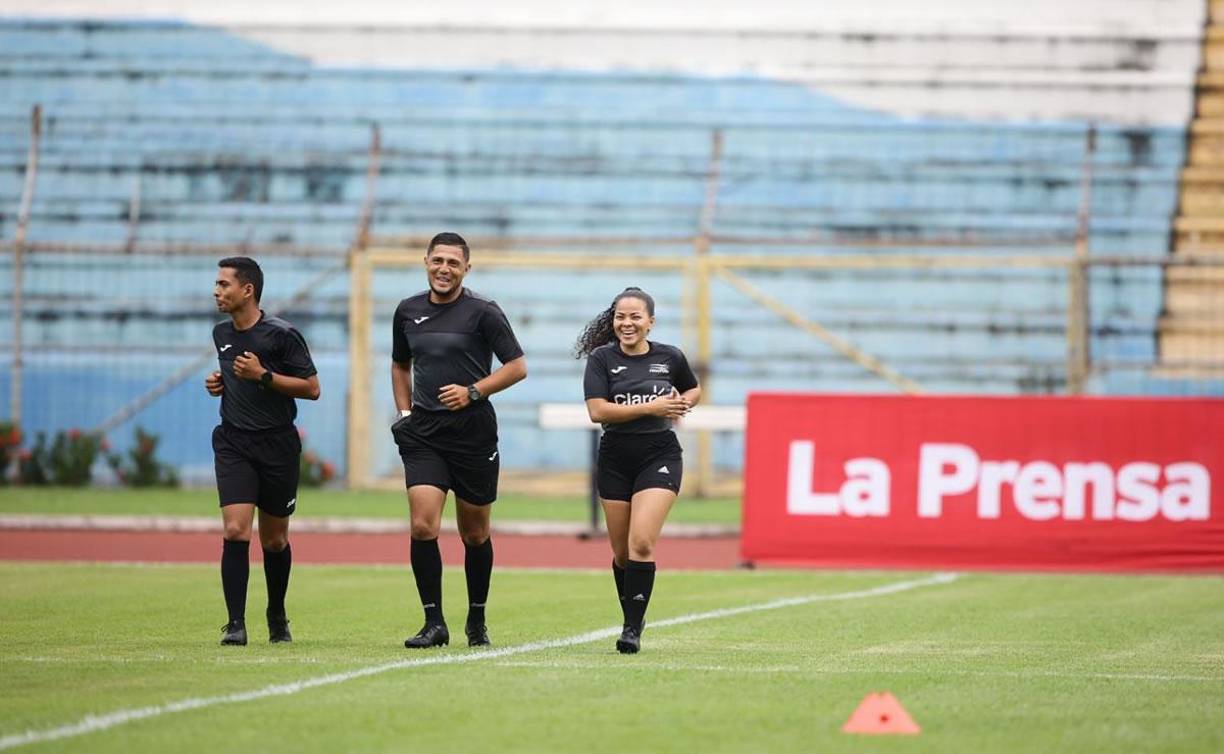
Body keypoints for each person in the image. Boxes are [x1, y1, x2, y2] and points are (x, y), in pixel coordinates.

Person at [391, 232, 527, 649]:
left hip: (473, 432)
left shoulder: (483, 312)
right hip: (425, 433)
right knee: (422, 524)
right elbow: (400, 365)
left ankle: (476, 619)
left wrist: (473, 391)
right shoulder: (407, 310)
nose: (444, 269)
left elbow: (517, 366)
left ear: (467, 268)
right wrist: (405, 414)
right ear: (426, 262)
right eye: (438, 261)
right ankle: (434, 623)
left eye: (453, 262)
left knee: (474, 533)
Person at [575, 287, 701, 654]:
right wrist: (653, 407)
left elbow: (692, 390)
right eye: (620, 317)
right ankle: (634, 613)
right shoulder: (601, 358)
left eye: (635, 317)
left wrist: (680, 404)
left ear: (650, 322)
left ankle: (631, 629)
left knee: (641, 543)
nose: (626, 323)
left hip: (659, 454)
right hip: (615, 457)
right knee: (621, 554)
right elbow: (598, 411)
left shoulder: (670, 356)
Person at [205, 256, 320, 646]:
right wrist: (221, 383)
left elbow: (312, 388)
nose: (217, 291)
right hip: (234, 441)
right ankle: (235, 624)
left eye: (224, 285)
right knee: (236, 529)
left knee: (274, 540)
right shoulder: (221, 332)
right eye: (217, 285)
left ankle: (277, 614)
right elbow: (237, 376)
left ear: (247, 290)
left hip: (277, 445)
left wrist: (263, 377)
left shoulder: (282, 335)